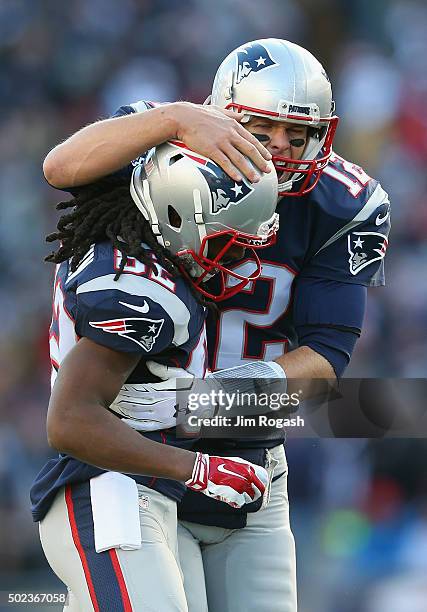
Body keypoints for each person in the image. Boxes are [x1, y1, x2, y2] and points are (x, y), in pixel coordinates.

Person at [42, 38, 391, 612]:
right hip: (131, 445)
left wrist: (205, 404)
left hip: (248, 457)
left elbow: (326, 365)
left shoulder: (342, 205)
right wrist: (172, 118)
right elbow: (60, 167)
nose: (279, 149)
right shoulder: (158, 151)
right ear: (219, 117)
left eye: (295, 135)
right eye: (260, 128)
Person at [31, 141, 280, 611]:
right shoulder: (143, 292)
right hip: (107, 494)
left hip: (137, 495)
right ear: (177, 213)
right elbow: (68, 421)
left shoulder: (133, 245)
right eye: (230, 237)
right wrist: (199, 470)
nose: (239, 253)